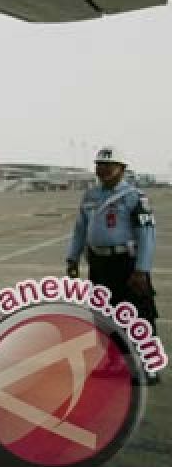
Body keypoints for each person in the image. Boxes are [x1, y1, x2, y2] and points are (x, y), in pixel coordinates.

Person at [66, 146, 160, 383]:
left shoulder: (134, 197)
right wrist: (72, 259)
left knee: (139, 314)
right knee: (104, 314)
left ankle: (149, 366)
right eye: (99, 165)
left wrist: (142, 269)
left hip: (127, 264)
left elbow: (146, 235)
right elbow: (80, 230)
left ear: (122, 169)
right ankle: (114, 362)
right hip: (99, 263)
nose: (103, 169)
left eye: (109, 165)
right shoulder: (90, 197)